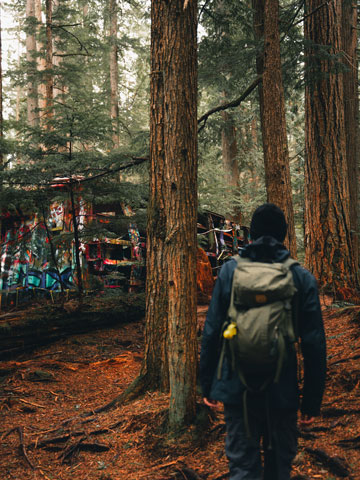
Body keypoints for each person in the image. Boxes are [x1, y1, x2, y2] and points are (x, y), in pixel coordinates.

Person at [199, 203, 326, 480]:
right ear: (283, 234)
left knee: (243, 467)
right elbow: (314, 343)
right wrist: (311, 402)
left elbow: (212, 332)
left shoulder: (229, 272)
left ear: (251, 234)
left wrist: (207, 383)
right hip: (282, 389)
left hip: (236, 387)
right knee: (279, 469)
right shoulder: (301, 277)